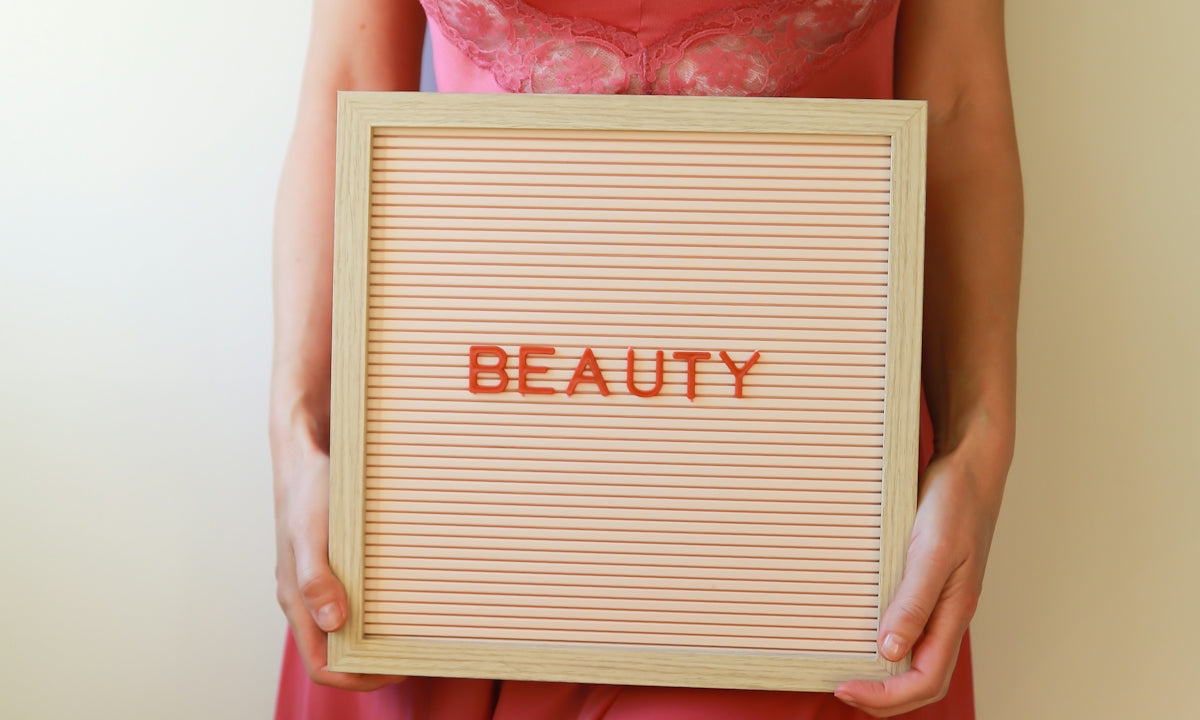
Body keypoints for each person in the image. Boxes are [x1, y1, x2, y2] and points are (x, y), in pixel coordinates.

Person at [269, 1, 1022, 717]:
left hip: (790, 516)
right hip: (447, 498)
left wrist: (979, 451)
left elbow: (957, 106)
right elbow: (348, 83)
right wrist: (300, 445)